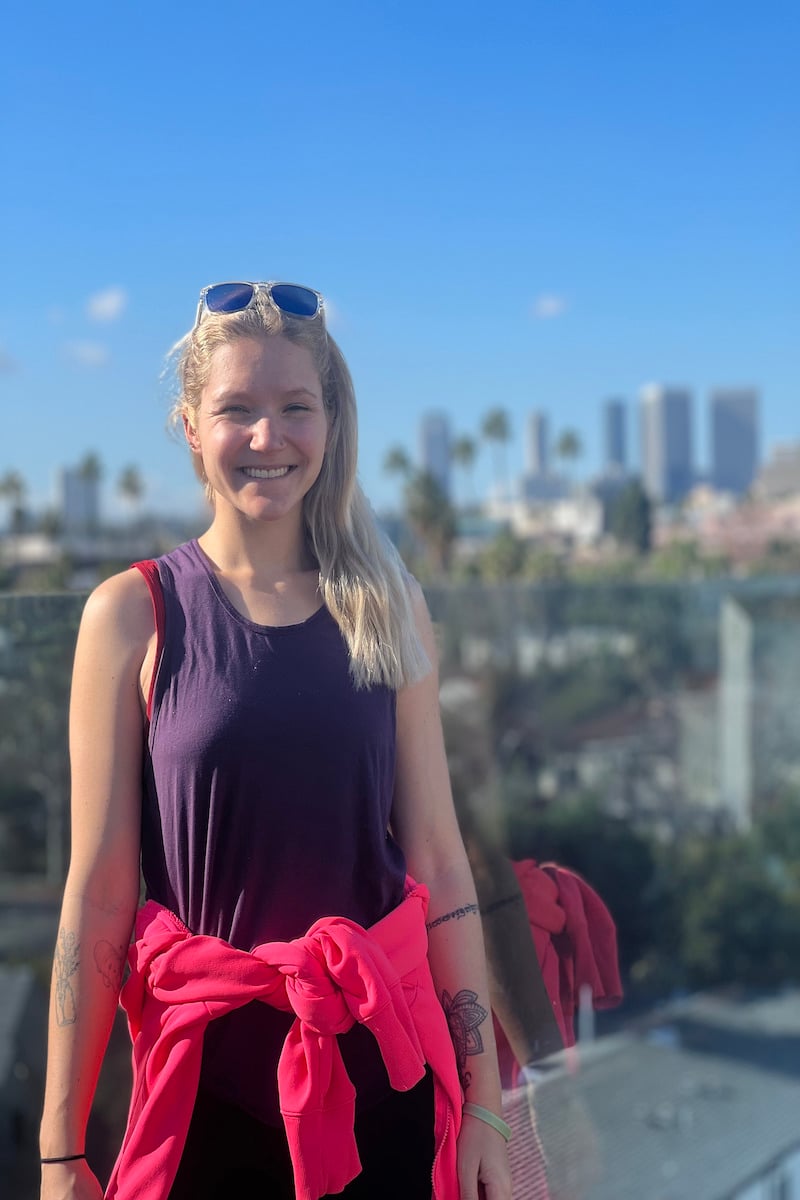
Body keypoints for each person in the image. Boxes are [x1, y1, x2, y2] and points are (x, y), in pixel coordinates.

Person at [39, 280, 512, 1200]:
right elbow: (98, 891)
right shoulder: (132, 616)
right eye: (237, 410)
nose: (267, 438)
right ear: (189, 427)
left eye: (296, 407)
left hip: (388, 1089)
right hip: (204, 1105)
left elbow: (441, 869)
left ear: (331, 421)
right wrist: (61, 1149)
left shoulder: (388, 607)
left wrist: (484, 1100)